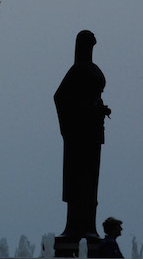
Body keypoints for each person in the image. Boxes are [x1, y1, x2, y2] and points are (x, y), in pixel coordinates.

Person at [54, 30, 110, 238]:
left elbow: (91, 98)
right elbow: (60, 98)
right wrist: (89, 109)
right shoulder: (76, 70)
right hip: (78, 135)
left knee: (90, 182)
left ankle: (89, 226)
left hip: (93, 133)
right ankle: (75, 227)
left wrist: (99, 107)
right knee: (78, 181)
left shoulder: (91, 68)